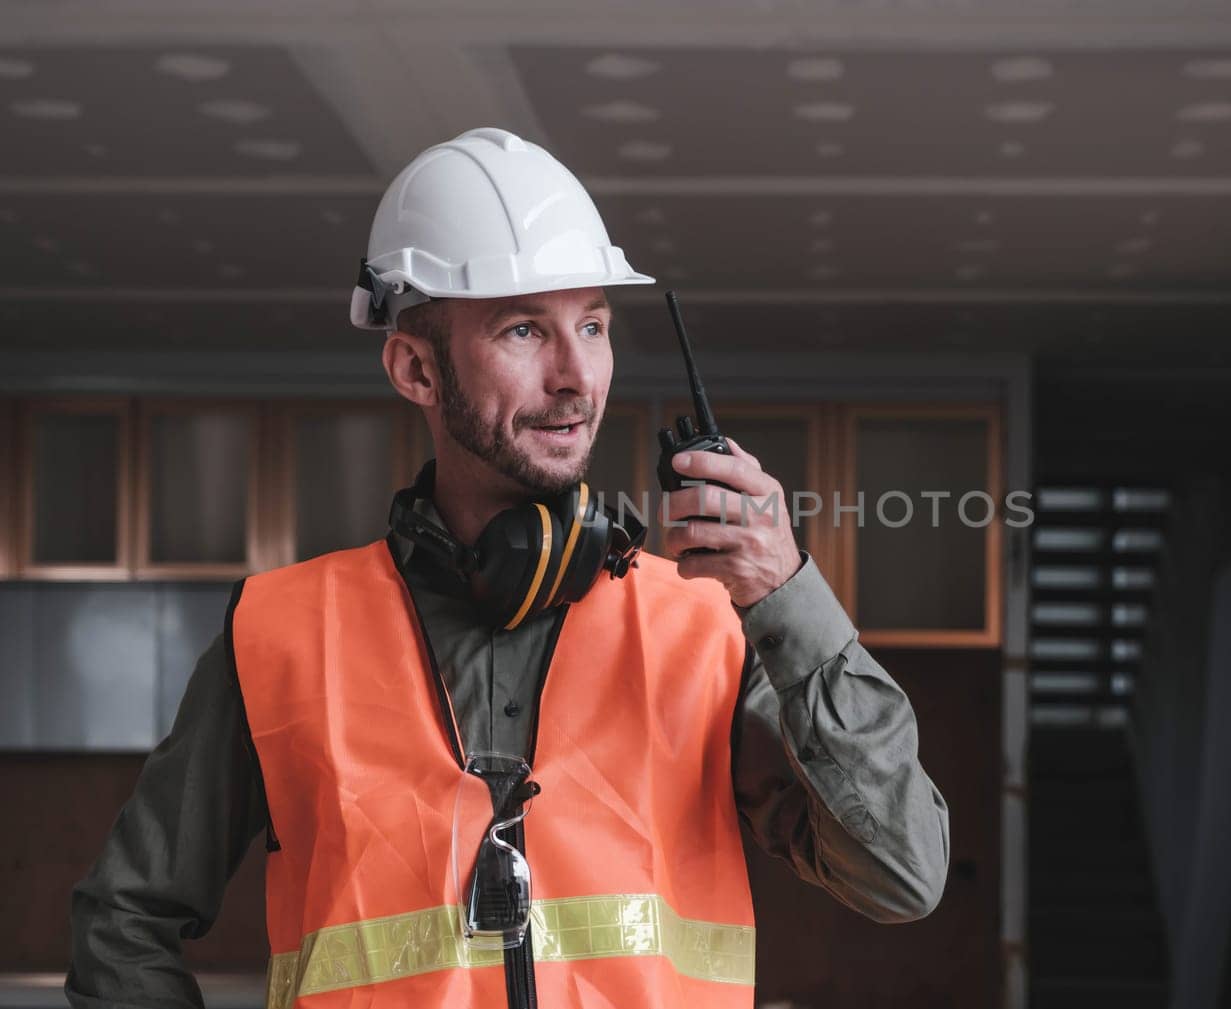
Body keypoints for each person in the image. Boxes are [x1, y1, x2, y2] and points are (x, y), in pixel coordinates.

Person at [66, 127, 949, 1009]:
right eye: (524, 328)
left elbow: (902, 874)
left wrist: (791, 597)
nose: (577, 377)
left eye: (593, 325)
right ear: (415, 367)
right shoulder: (280, 633)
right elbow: (124, 924)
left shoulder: (706, 625)